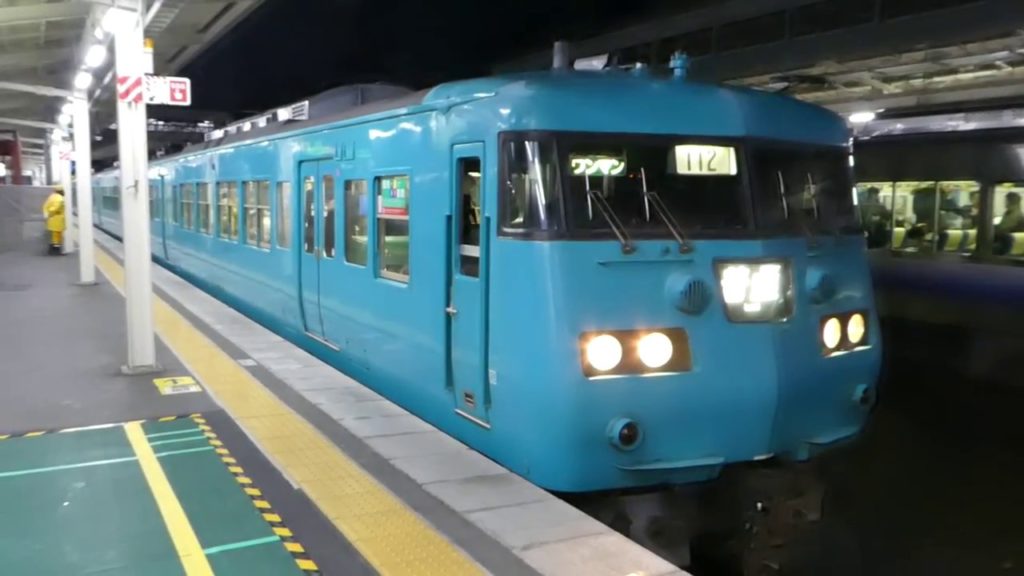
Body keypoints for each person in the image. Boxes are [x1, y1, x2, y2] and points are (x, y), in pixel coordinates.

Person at [41, 185, 65, 255]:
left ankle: (54, 250)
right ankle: (56, 251)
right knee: (57, 236)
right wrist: (51, 213)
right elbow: (55, 208)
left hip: (52, 219)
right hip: (57, 219)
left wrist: (47, 214)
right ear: (61, 191)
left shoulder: (51, 197)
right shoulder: (60, 198)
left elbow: (45, 206)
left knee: (55, 235)